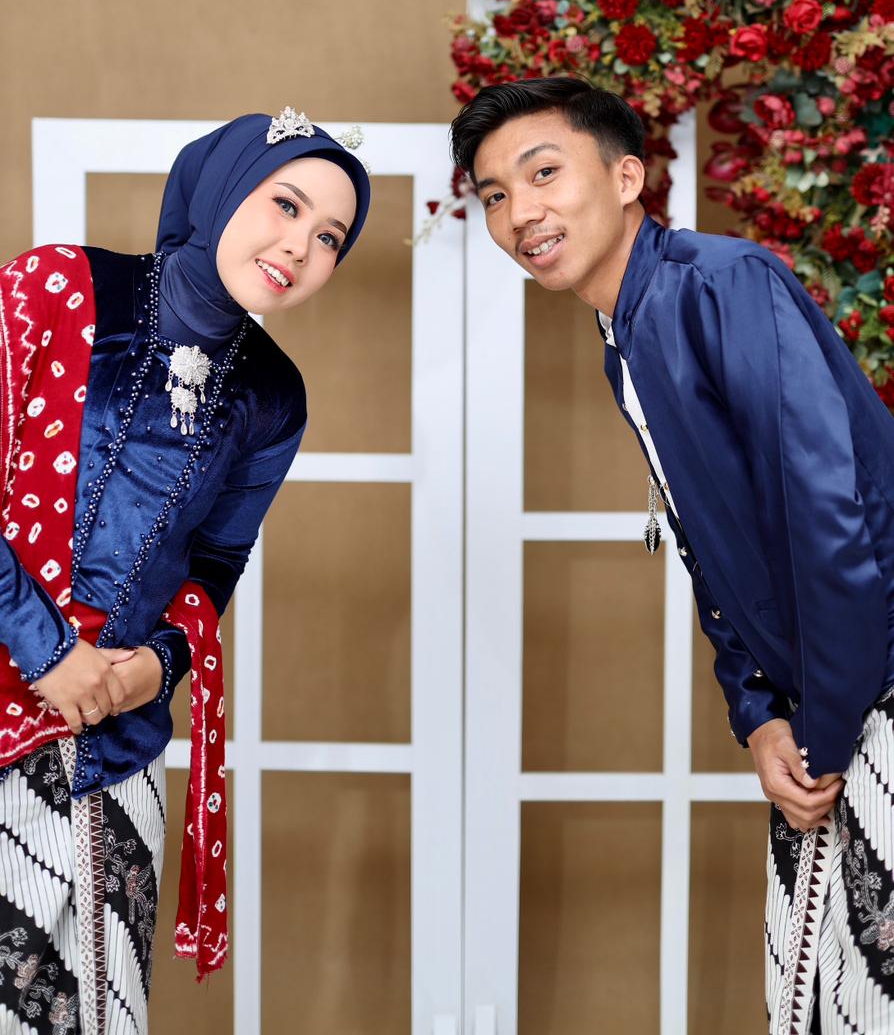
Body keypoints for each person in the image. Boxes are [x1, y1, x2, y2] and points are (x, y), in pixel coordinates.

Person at [450, 75, 894, 1032]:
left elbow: (829, 512)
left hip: (872, 699)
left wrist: (821, 731)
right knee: (819, 999)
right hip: (829, 714)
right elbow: (711, 545)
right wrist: (759, 715)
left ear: (626, 180)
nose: (519, 213)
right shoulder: (627, 334)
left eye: (542, 173)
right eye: (493, 194)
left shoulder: (719, 285)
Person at [0, 106, 370, 1034]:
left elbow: (216, 562)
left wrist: (156, 668)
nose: (301, 246)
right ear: (221, 188)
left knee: (102, 1012)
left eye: (331, 237)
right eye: (286, 205)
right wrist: (49, 654)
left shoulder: (273, 395)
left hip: (119, 745)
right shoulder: (57, 286)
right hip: (12, 709)